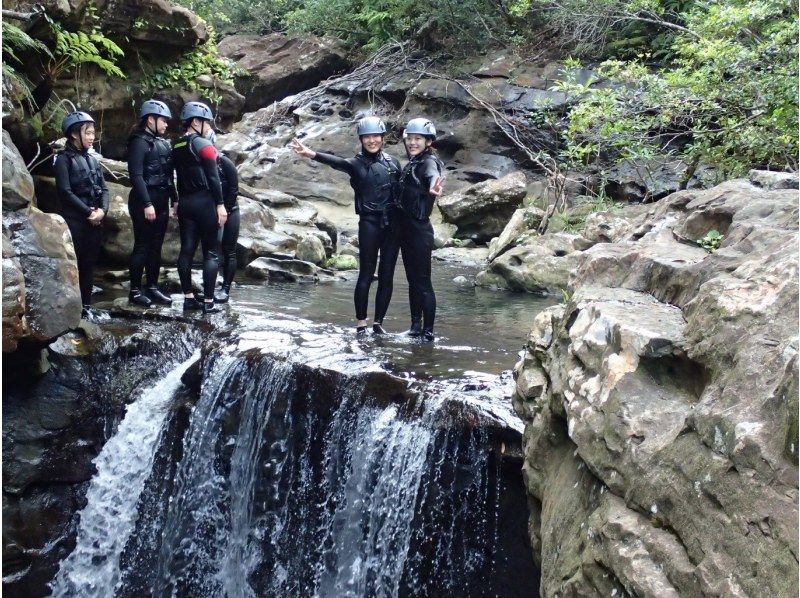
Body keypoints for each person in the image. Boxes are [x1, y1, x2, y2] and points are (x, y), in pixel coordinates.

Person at [288, 117, 401, 335]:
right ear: (361, 139)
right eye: (367, 137)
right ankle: (361, 324)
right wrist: (311, 153)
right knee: (366, 273)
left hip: (393, 226)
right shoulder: (355, 164)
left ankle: (378, 324)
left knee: (387, 275)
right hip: (369, 223)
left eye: (376, 136)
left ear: (383, 138)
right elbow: (336, 162)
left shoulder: (393, 162)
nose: (372, 141)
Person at [172, 101, 227, 314]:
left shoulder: (175, 145)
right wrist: (220, 205)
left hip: (185, 202)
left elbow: (174, 175)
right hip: (205, 203)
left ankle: (188, 298)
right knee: (211, 253)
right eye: (206, 122)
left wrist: (175, 201)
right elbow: (214, 178)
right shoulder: (204, 145)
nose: (209, 127)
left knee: (186, 250)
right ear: (195, 121)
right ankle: (208, 302)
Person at [54, 111, 109, 318]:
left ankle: (86, 307)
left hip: (94, 222)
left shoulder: (93, 160)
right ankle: (70, 310)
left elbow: (104, 189)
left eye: (93, 133)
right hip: (75, 221)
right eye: (88, 133)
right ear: (75, 134)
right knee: (74, 266)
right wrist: (88, 212)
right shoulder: (63, 160)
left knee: (89, 265)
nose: (92, 137)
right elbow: (65, 192)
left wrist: (102, 211)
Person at [395, 118, 444, 342]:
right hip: (406, 230)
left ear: (428, 142)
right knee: (412, 280)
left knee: (423, 283)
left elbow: (433, 175)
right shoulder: (413, 162)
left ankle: (428, 332)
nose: (413, 142)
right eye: (410, 138)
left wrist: (435, 186)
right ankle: (415, 327)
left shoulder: (428, 162)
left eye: (418, 139)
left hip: (420, 231)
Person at [126, 99, 176, 307]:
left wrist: (176, 200)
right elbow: (136, 175)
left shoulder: (162, 143)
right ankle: (135, 291)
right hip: (143, 201)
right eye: (163, 120)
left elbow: (168, 175)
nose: (166, 124)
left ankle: (153, 287)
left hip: (161, 199)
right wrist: (147, 204)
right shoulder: (138, 141)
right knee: (143, 246)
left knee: (156, 247)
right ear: (150, 119)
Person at [214, 151, 239, 303]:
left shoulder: (224, 162)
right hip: (210, 209)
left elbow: (234, 189)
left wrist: (226, 211)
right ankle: (211, 285)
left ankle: (226, 288)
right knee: (211, 250)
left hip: (231, 210)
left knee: (229, 250)